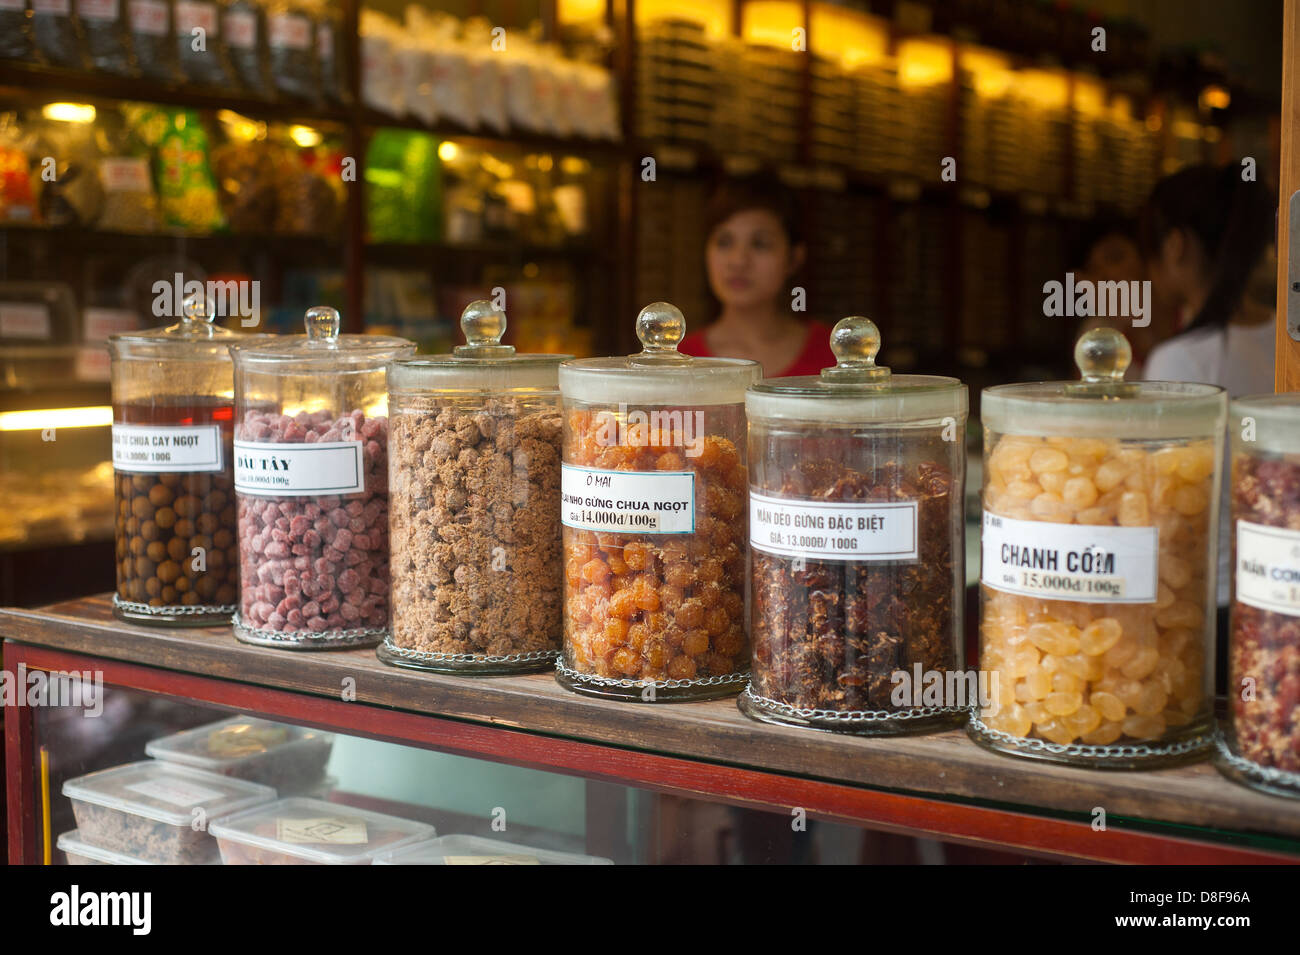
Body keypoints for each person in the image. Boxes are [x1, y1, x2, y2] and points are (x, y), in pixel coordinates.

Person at [1138, 162, 1278, 690]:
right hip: (1271, 598)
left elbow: (1159, 502)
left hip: (1207, 605)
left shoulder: (1182, 362)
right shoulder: (1283, 344)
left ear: (1176, 245)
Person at [679, 183, 837, 377]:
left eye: (760, 244)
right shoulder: (678, 361)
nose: (738, 261)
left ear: (794, 258)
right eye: (724, 242)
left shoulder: (836, 354)